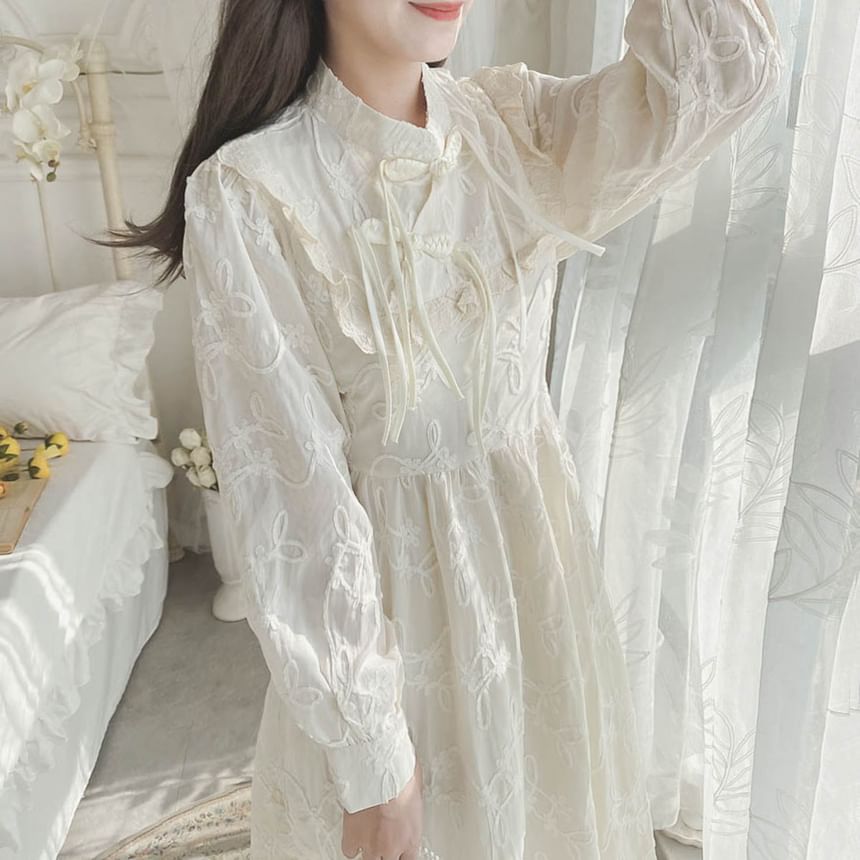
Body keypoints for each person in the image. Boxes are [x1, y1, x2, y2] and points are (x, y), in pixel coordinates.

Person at [95, 0, 783, 857]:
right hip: (398, 657)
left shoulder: (510, 128)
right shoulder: (251, 192)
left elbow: (726, 69)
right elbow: (296, 509)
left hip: (543, 619)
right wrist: (374, 761)